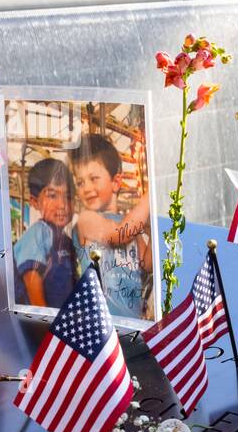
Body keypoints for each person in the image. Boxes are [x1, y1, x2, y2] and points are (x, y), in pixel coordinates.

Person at [70, 134, 151, 319]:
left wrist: (152, 231)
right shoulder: (86, 220)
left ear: (116, 183)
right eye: (80, 182)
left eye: (94, 178)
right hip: (100, 322)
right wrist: (150, 195)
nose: (86, 188)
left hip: (131, 320)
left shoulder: (128, 225)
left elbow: (146, 264)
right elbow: (120, 235)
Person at [13, 158, 79, 310]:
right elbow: (32, 276)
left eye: (68, 197)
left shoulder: (66, 241)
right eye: (52, 195)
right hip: (39, 324)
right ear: (35, 202)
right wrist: (43, 316)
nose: (62, 205)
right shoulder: (39, 232)